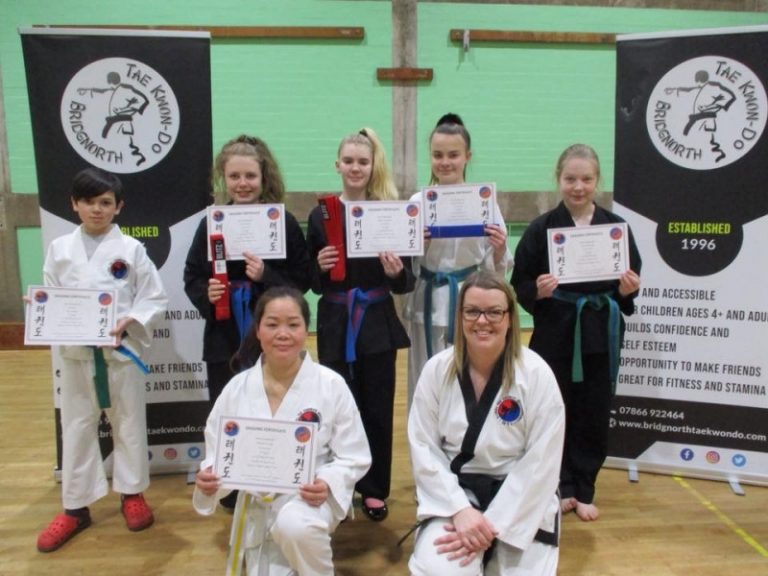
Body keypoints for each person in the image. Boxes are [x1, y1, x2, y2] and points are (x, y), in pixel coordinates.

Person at [193, 287, 371, 576]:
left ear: (306, 329)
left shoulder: (331, 385)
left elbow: (354, 455)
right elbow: (217, 451)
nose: (283, 333)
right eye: (272, 324)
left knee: (295, 526)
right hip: (257, 505)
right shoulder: (237, 388)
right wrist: (210, 477)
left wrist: (327, 482)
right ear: (258, 331)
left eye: (293, 324)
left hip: (309, 498)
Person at [36, 167, 168, 552]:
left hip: (120, 353)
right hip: (77, 357)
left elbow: (153, 298)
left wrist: (133, 319)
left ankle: (132, 494)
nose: (97, 209)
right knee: (77, 426)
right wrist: (43, 309)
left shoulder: (131, 250)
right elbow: (51, 294)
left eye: (105, 202)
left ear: (119, 207)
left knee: (129, 424)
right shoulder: (60, 250)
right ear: (74, 205)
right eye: (89, 202)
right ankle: (75, 507)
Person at [510, 144, 642, 522]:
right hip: (556, 331)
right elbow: (520, 282)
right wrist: (538, 290)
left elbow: (629, 281)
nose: (578, 187)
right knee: (552, 409)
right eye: (570, 179)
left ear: (597, 181)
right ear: (559, 180)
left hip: (599, 332)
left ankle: (584, 487)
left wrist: (627, 290)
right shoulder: (541, 229)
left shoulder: (615, 229)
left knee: (593, 411)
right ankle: (556, 485)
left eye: (586, 179)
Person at [408, 270, 565, 575]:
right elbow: (424, 449)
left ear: (509, 318)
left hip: (522, 500)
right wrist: (461, 510)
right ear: (460, 316)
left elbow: (542, 460)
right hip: (456, 493)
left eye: (494, 312)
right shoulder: (436, 371)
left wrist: (493, 525)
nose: (482, 321)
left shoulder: (536, 374)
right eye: (472, 311)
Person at [307, 128, 414, 521]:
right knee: (336, 408)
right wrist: (317, 268)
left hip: (376, 322)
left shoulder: (388, 212)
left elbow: (408, 280)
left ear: (373, 167)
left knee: (376, 408)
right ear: (338, 165)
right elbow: (310, 280)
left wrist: (396, 271)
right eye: (348, 161)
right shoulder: (320, 214)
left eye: (362, 162)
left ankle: (374, 489)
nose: (355, 167)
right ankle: (339, 485)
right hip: (335, 322)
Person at [184, 134, 311, 409]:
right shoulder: (212, 223)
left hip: (274, 336)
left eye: (250, 176)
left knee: (277, 408)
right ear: (224, 178)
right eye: (234, 176)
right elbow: (192, 274)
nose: (242, 184)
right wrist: (208, 292)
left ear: (264, 177)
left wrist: (267, 275)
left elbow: (303, 279)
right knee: (226, 412)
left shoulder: (284, 223)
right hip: (223, 334)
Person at [404, 113, 512, 409]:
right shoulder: (416, 202)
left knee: (468, 377)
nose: (445, 162)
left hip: (468, 300)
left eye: (453, 155)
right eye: (438, 155)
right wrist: (416, 246)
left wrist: (500, 248)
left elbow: (497, 266)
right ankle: (425, 448)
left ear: (467, 156)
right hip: (426, 300)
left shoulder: (484, 201)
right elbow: (403, 267)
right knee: (424, 379)